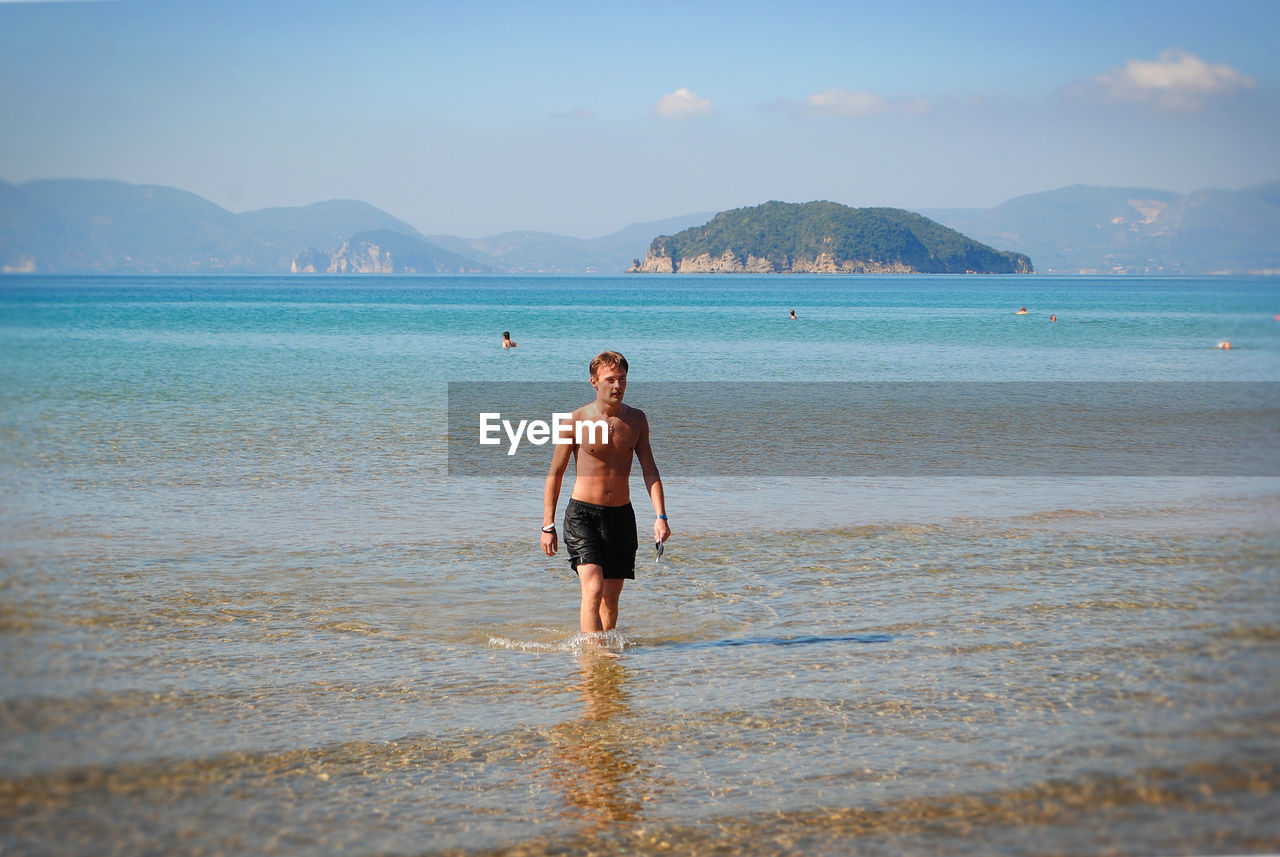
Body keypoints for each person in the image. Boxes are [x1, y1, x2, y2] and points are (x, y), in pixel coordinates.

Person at [540, 351, 670, 648]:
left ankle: (605, 657)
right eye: (610, 379)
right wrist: (547, 525)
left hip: (621, 516)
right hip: (582, 514)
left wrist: (661, 516)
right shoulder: (576, 419)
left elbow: (649, 469)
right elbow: (555, 473)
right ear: (594, 382)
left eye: (622, 379)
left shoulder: (636, 420)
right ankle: (594, 656)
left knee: (610, 601)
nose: (617, 385)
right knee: (594, 585)